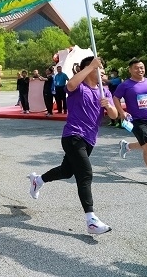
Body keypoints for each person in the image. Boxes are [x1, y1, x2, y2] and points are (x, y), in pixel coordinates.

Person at [27, 56, 116, 235]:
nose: (102, 71)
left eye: (102, 68)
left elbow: (114, 115)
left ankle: (38, 181)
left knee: (67, 171)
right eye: (98, 68)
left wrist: (108, 106)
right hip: (73, 136)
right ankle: (91, 220)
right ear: (88, 69)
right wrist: (90, 66)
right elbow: (70, 85)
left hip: (90, 139)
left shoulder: (104, 91)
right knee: (85, 174)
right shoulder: (79, 87)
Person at [113, 58, 147, 181]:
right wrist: (122, 112)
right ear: (130, 70)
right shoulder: (125, 85)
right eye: (136, 68)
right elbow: (115, 98)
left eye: (142, 67)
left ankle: (127, 146)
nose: (140, 70)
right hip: (137, 120)